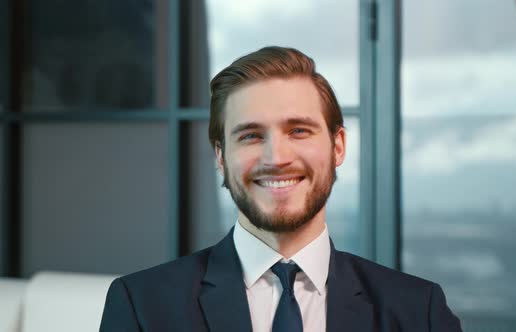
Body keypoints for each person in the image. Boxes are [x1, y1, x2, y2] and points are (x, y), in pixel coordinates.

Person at [99, 46, 462, 332]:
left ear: (338, 147)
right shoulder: (141, 306)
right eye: (251, 136)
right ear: (221, 157)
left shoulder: (418, 311)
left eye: (299, 131)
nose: (277, 157)